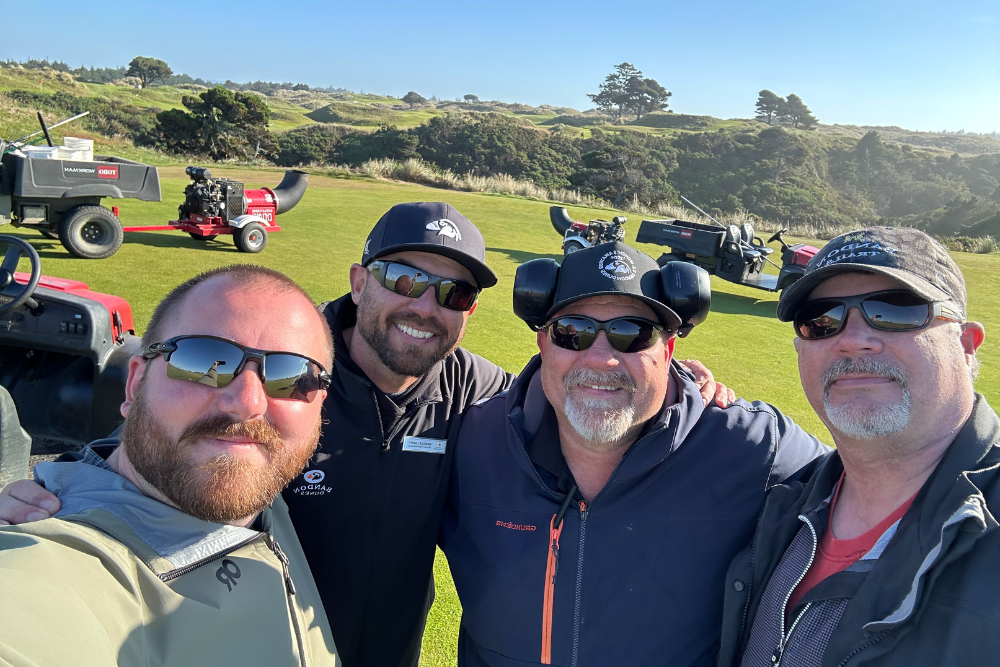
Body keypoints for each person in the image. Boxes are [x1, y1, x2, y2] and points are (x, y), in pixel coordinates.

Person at [0, 203, 728, 667]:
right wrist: (75, 480)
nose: (425, 306)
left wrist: (682, 386)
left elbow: (588, 392)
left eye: (453, 292)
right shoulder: (294, 380)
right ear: (360, 279)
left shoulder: (477, 392)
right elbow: (181, 430)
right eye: (405, 279)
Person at [439, 241, 828, 667]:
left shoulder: (750, 447)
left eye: (633, 334)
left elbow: (881, 489)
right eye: (573, 331)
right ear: (544, 344)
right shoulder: (475, 437)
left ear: (667, 351)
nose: (602, 358)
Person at [0, 265, 340, 666]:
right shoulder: (51, 572)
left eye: (291, 376)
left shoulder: (261, 473)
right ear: (134, 385)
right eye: (202, 360)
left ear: (319, 404)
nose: (249, 403)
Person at [717, 227, 998, 667]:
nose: (852, 339)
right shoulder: (783, 501)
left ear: (965, 344)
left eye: (895, 311)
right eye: (821, 320)